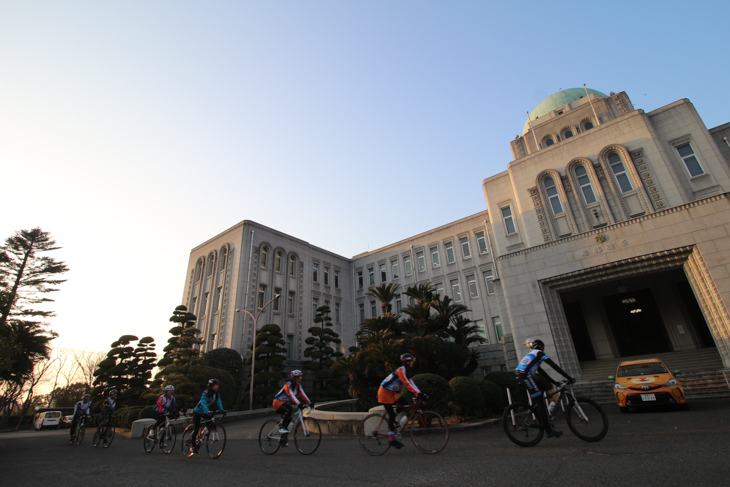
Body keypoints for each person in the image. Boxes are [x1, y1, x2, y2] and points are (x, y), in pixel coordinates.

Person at [515, 338, 575, 439]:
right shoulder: (539, 353)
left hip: (522, 376)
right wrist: (569, 378)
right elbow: (553, 365)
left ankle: (536, 407)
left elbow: (542, 372)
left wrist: (554, 382)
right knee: (540, 403)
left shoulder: (533, 355)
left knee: (542, 387)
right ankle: (548, 430)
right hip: (525, 376)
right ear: (542, 348)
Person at [377, 353, 424, 449]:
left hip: (391, 393)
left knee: (404, 403)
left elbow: (411, 382)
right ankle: (391, 440)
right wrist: (418, 394)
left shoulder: (406, 371)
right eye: (412, 361)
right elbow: (407, 384)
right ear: (407, 362)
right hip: (384, 392)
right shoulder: (401, 370)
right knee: (391, 415)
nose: (413, 363)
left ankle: (393, 419)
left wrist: (420, 393)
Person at [272, 370, 312, 443]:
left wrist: (309, 403)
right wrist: (299, 403)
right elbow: (291, 394)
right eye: (300, 376)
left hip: (285, 403)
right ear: (296, 377)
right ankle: (282, 428)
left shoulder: (298, 386)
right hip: (277, 402)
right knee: (289, 409)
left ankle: (283, 439)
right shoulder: (288, 385)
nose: (301, 378)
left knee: (290, 420)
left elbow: (303, 394)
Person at [190, 378, 225, 453]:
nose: (217, 387)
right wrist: (207, 411)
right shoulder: (205, 393)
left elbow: (218, 401)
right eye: (216, 385)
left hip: (206, 411)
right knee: (196, 428)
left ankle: (203, 433)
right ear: (211, 386)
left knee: (210, 423)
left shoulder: (216, 393)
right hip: (198, 412)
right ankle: (193, 446)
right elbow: (203, 403)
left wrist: (221, 410)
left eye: (218, 385)